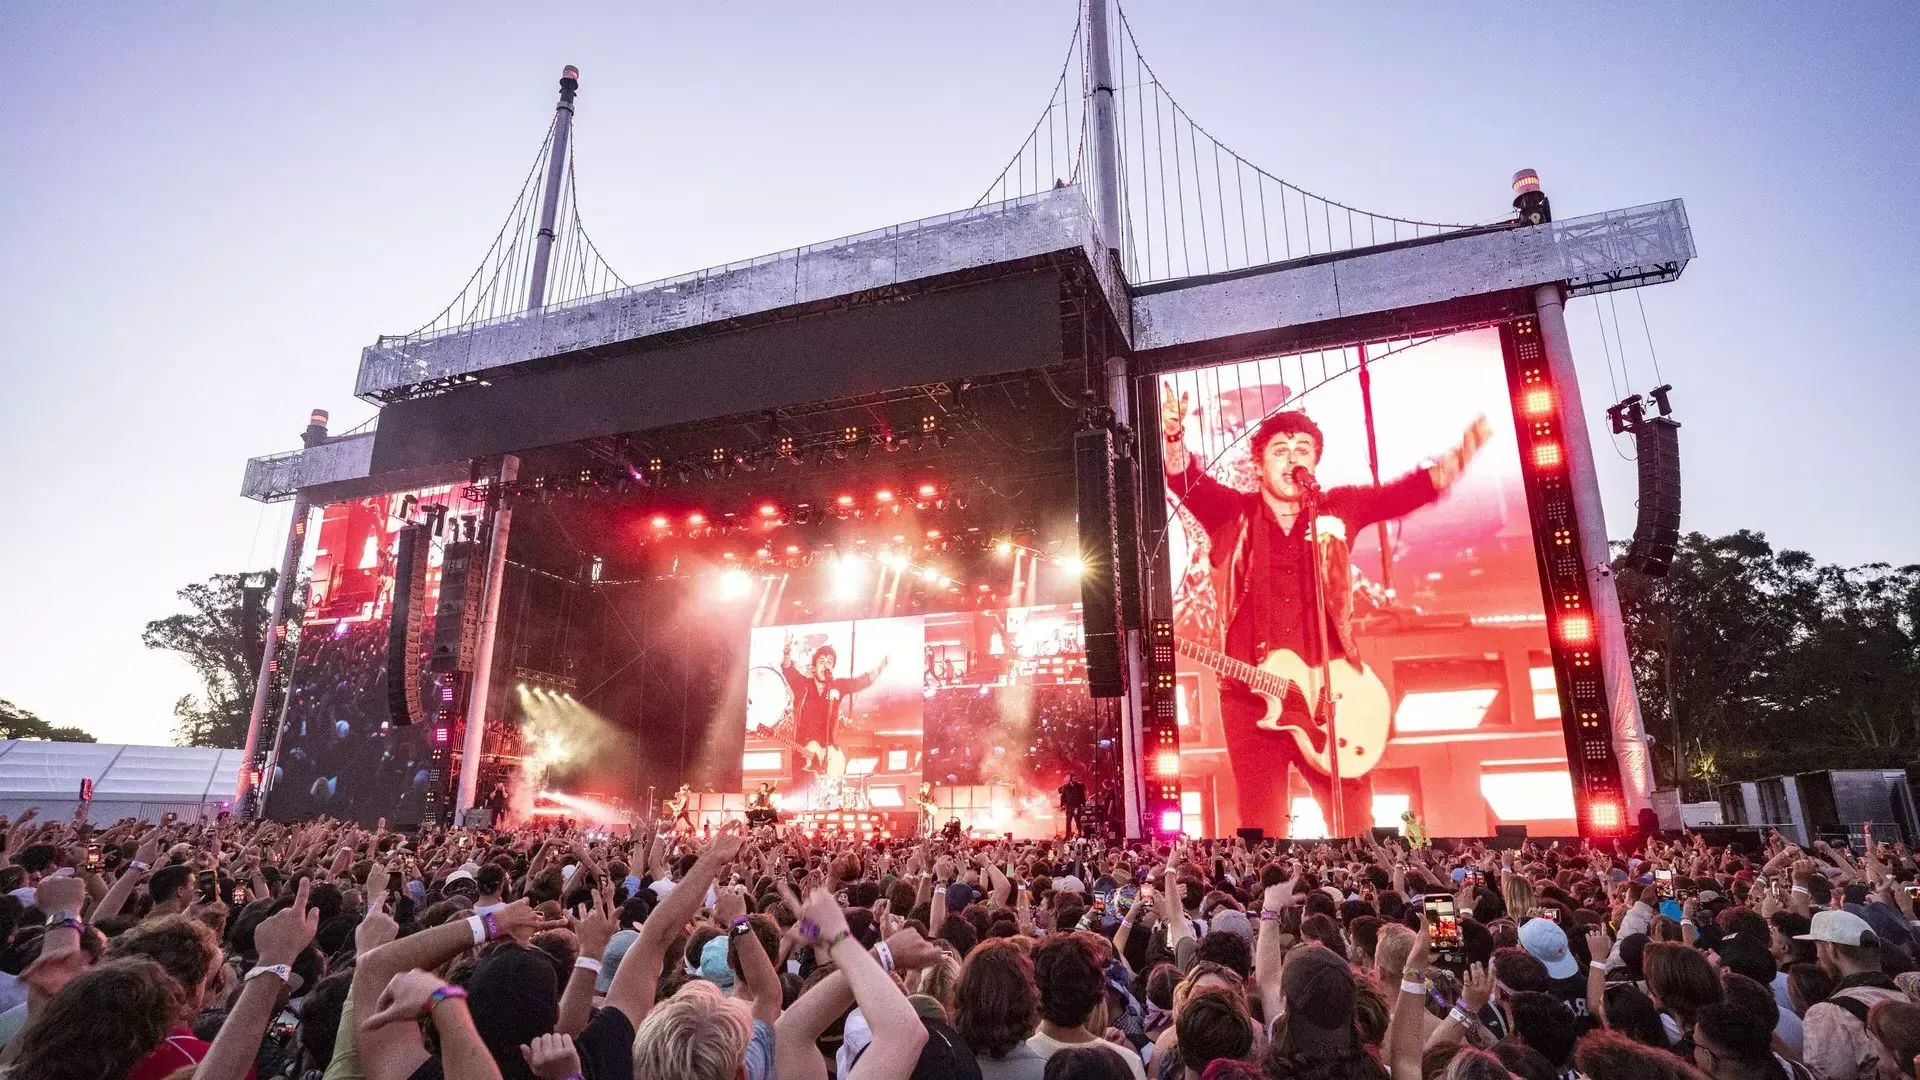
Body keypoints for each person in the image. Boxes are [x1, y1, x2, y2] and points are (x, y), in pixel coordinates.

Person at [1161, 389, 1490, 836]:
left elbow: (1397, 496)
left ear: (1315, 462)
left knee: (1355, 825)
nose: (1292, 458)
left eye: (1303, 450)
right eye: (1280, 451)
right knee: (1260, 825)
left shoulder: (1338, 507)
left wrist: (1453, 463)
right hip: (1248, 693)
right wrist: (1174, 434)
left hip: (1331, 693)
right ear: (1258, 465)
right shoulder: (1233, 513)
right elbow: (1186, 482)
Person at [1799, 910, 1905, 1080]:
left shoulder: (1827, 1015)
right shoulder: (1907, 995)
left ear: (1831, 949)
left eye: (1818, 947)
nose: (1817, 957)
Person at [781, 638, 890, 754]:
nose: (825, 665)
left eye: (829, 662)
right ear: (814, 667)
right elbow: (788, 669)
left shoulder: (837, 686)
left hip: (828, 755)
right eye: (821, 661)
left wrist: (879, 669)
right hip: (802, 752)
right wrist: (787, 652)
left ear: (832, 667)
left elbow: (859, 683)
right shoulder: (803, 685)